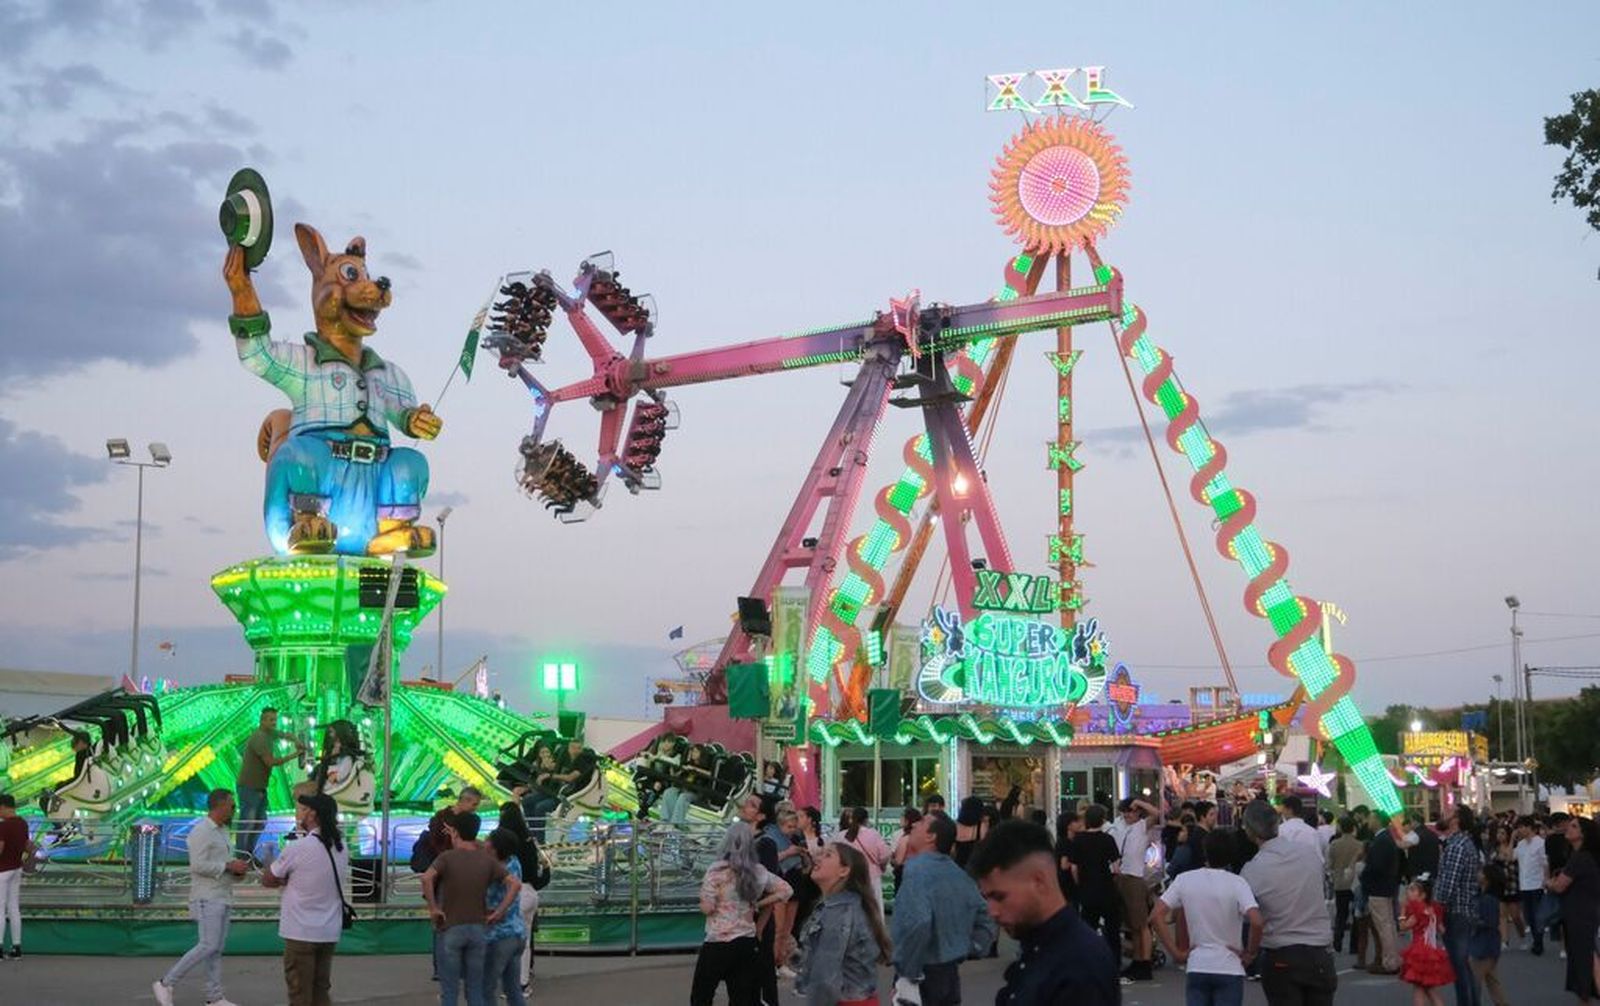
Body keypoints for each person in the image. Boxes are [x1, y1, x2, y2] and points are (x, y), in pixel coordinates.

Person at [969, 819, 1119, 1005]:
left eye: (999, 897)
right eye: (986, 898)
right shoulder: (1041, 946)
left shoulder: (1078, 963)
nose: (992, 911)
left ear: (1038, 881)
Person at [154, 789, 249, 1006]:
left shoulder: (223, 831)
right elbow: (197, 865)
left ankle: (214, 997)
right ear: (220, 805)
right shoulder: (201, 831)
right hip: (207, 896)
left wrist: (236, 871)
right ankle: (166, 982)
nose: (234, 810)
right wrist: (227, 866)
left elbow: (222, 863)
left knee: (215, 948)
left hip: (223, 894)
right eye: (232, 805)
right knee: (208, 945)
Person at [890, 812, 996, 1006]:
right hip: (949, 973)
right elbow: (986, 915)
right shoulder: (959, 875)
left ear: (932, 837)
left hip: (920, 973)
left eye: (921, 822)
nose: (914, 825)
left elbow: (918, 922)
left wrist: (907, 972)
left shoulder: (917, 871)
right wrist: (971, 947)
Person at [1239, 799, 1337, 1005]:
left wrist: (1250, 951)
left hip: (1281, 953)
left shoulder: (1253, 870)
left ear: (1249, 831)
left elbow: (1248, 915)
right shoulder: (1308, 854)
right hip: (1319, 951)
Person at [1152, 829, 1264, 1006]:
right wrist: (1250, 953)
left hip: (1197, 964)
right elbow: (1257, 921)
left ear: (1205, 851)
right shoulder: (1238, 883)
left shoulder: (1185, 880)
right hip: (1229, 965)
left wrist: (1176, 952)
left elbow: (1156, 915)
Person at [422, 811, 520, 1006]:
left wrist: (433, 908)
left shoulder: (447, 858)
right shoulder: (487, 860)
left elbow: (426, 878)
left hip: (451, 926)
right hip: (478, 929)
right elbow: (515, 884)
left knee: (449, 990)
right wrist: (499, 912)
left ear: (455, 832)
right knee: (475, 989)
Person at [261, 793, 350, 1006]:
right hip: (328, 930)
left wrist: (270, 860)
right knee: (320, 990)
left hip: (301, 931)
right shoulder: (341, 846)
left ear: (312, 815)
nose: (299, 814)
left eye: (303, 810)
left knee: (299, 991)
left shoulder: (299, 848)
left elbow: (269, 878)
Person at [690, 823, 792, 1006]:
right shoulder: (758, 872)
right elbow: (786, 890)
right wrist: (758, 903)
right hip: (746, 941)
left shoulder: (716, 871)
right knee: (742, 998)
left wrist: (703, 899)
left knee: (702, 995)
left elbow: (708, 908)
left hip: (717, 941)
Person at [796, 842, 890, 1006]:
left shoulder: (838, 910)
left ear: (844, 871)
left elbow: (826, 975)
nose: (818, 858)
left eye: (828, 855)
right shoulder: (846, 904)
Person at [423, 787, 483, 981]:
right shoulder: (440, 818)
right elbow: (435, 845)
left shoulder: (470, 820)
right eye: (474, 804)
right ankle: (441, 968)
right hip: (444, 875)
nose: (475, 809)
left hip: (461, 875)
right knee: (442, 922)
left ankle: (459, 967)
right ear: (464, 801)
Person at [236, 707, 305, 860]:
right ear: (262, 721)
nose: (274, 723)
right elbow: (271, 762)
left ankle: (247, 855)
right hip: (249, 787)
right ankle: (241, 857)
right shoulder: (259, 738)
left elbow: (284, 734)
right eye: (271, 720)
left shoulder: (268, 733)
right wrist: (295, 755)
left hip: (259, 787)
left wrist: (296, 740)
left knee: (259, 823)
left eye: (275, 720)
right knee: (248, 824)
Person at [1432, 805, 1485, 1006]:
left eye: (1448, 812)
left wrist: (1437, 906)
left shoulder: (1456, 846)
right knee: (1462, 965)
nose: (1443, 813)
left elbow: (1448, 882)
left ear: (1456, 819)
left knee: (1459, 966)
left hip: (1456, 913)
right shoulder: (1464, 843)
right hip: (1465, 909)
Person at [1545, 815, 1600, 1002]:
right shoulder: (1582, 857)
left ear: (1584, 834)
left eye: (1574, 827)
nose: (1569, 828)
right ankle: (1584, 996)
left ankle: (1586, 993)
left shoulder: (1580, 858)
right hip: (1583, 912)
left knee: (1586, 959)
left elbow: (1560, 885)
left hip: (1580, 914)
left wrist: (1549, 883)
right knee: (1584, 959)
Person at [496, 802, 547, 995]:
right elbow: (535, 875)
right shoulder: (529, 841)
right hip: (530, 893)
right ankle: (522, 984)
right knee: (524, 942)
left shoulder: (503, 843)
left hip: (512, 894)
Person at [1108, 796, 1160, 982]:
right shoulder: (1119, 826)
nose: (1128, 815)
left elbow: (1157, 813)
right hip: (1120, 876)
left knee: (1141, 924)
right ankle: (1137, 960)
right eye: (1125, 811)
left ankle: (1145, 961)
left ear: (1138, 812)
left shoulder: (1143, 826)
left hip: (1135, 878)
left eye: (1131, 811)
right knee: (1132, 925)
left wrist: (1139, 802)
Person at [1067, 803, 1123, 974]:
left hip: (1087, 890)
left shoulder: (1078, 840)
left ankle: (1087, 962)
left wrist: (1080, 883)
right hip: (1106, 889)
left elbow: (1074, 868)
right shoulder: (1107, 839)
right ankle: (1114, 962)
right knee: (1112, 930)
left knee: (1088, 928)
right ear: (1102, 820)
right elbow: (1116, 866)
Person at [481, 829, 528, 1006]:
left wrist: (499, 911)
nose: (484, 842)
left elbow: (514, 887)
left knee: (485, 988)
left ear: (494, 848)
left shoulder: (498, 870)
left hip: (498, 935)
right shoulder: (514, 862)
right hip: (517, 932)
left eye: (487, 840)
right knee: (513, 989)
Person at [1398, 876, 1454, 1006]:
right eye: (1409, 890)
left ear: (1422, 895)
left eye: (1412, 890)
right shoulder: (1432, 909)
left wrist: (1402, 912)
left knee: (1419, 988)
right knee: (1431, 989)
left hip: (1419, 952)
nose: (1408, 893)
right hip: (1432, 950)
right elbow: (1442, 929)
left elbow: (1403, 926)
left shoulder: (1417, 910)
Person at [1362, 810, 1405, 974]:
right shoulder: (1387, 838)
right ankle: (1394, 958)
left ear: (1378, 820)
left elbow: (1376, 866)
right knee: (1388, 925)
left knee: (1384, 926)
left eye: (1371, 818)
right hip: (1386, 886)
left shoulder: (1381, 840)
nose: (1368, 821)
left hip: (1378, 887)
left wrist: (1365, 877)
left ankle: (1390, 961)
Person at [835, 805, 891, 916]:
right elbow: (885, 855)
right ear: (866, 819)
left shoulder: (841, 836)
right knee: (873, 909)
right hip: (871, 876)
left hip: (848, 878)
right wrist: (882, 866)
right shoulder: (873, 834)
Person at [1469, 863, 1510, 1006]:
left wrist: (1471, 920)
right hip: (1490, 945)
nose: (1478, 873)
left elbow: (1488, 922)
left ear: (1487, 878)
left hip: (1483, 947)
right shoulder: (1490, 897)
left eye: (1481, 872)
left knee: (1473, 983)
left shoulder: (1488, 899)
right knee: (1492, 982)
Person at [1328, 815, 1364, 954]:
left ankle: (1337, 941)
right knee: (1356, 914)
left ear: (1341, 827)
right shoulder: (1359, 844)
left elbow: (1330, 864)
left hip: (1340, 882)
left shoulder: (1334, 844)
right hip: (1355, 883)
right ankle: (1354, 945)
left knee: (1341, 913)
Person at [0, 793, 30, 961]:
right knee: (14, 908)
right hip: (16, 869)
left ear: (3, 807)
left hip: (2, 870)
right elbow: (27, 846)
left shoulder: (3, 827)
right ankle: (16, 947)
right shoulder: (23, 824)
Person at [1516, 815, 1549, 955]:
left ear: (1530, 827)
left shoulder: (1540, 843)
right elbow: (1510, 856)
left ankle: (1538, 942)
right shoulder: (1521, 844)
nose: (1520, 830)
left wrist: (1545, 879)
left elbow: (1545, 862)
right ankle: (1536, 940)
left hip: (1537, 884)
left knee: (1537, 915)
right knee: (1528, 915)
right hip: (1524, 884)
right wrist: (1512, 839)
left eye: (1522, 827)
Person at [1276, 796, 1323, 861]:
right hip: (1308, 868)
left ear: (1289, 810)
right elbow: (1319, 857)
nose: (1282, 812)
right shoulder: (1311, 831)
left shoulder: (1280, 829)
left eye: (1283, 809)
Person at [890, 807, 922, 893]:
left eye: (902, 817)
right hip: (919, 873)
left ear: (908, 821)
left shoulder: (905, 838)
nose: (900, 819)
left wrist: (891, 860)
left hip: (904, 874)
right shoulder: (922, 837)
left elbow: (898, 861)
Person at [952, 796, 989, 869]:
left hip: (957, 865)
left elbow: (952, 849)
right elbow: (984, 847)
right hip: (974, 866)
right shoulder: (981, 826)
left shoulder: (955, 825)